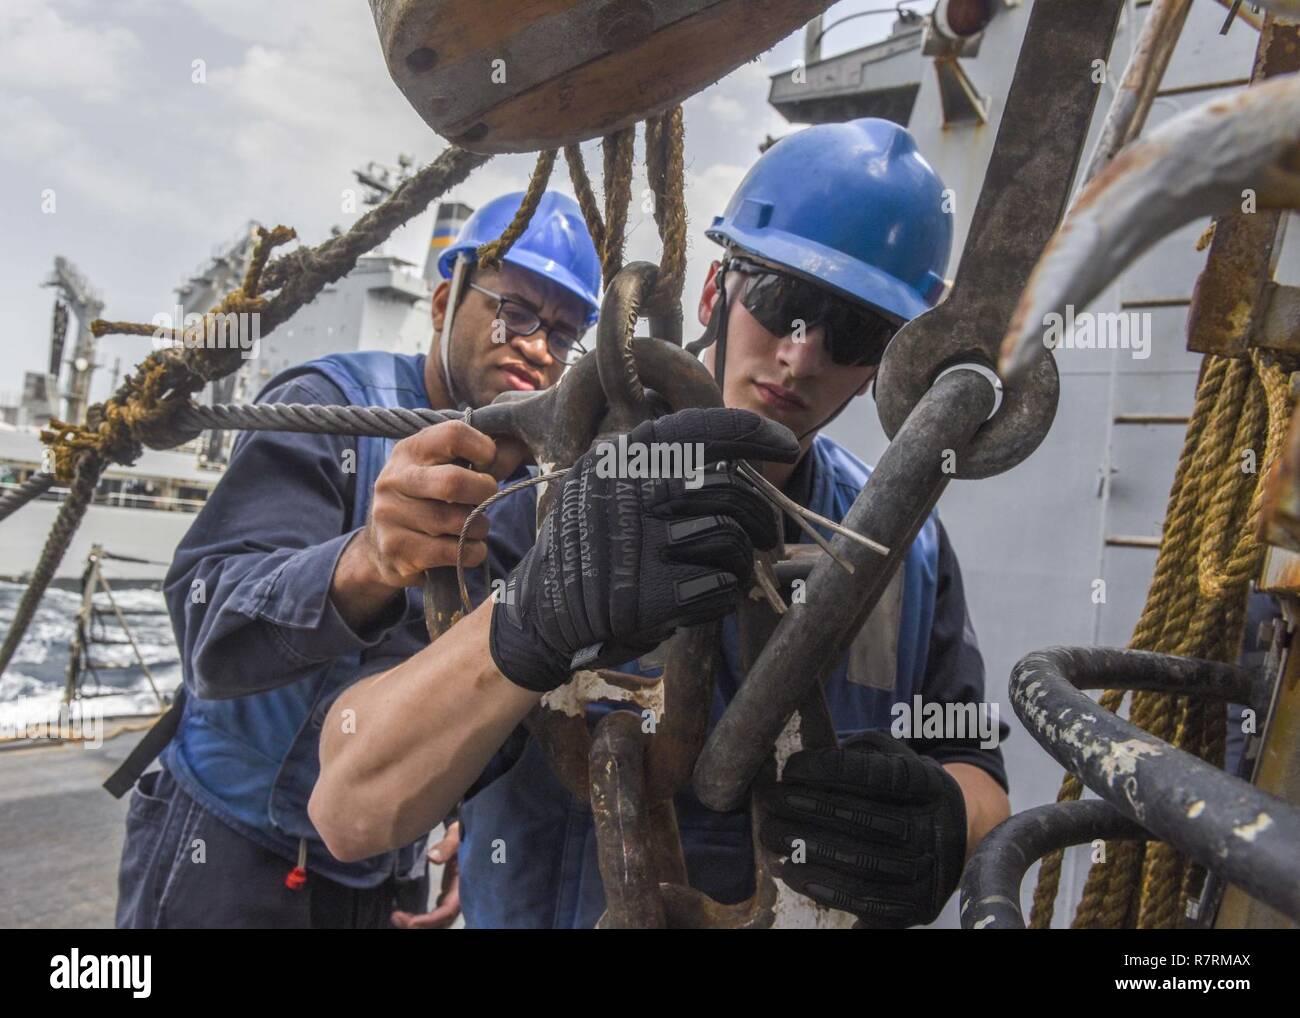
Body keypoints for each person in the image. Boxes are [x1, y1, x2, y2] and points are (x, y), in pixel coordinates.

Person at [310, 118, 1011, 928]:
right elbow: (352, 808)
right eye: (784, 303)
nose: (801, 356)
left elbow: (973, 760)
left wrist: (949, 825)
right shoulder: (552, 499)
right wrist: (526, 624)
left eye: (852, 331)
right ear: (718, 291)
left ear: (888, 361)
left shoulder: (908, 546)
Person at [112, 190, 602, 929]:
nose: (537, 346)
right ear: (443, 304)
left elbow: (491, 683)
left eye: (563, 333)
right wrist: (366, 561)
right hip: (227, 855)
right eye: (517, 312)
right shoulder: (331, 407)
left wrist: (474, 819)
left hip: (386, 878)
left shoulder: (536, 489)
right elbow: (207, 625)